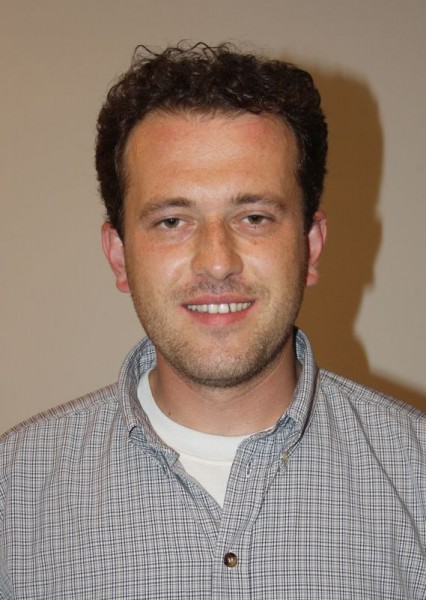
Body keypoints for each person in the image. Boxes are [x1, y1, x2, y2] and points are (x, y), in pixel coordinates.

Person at [1, 43, 424, 599]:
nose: (218, 261)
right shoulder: (14, 491)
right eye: (173, 221)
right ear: (120, 256)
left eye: (254, 217)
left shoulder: (417, 476)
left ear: (311, 246)